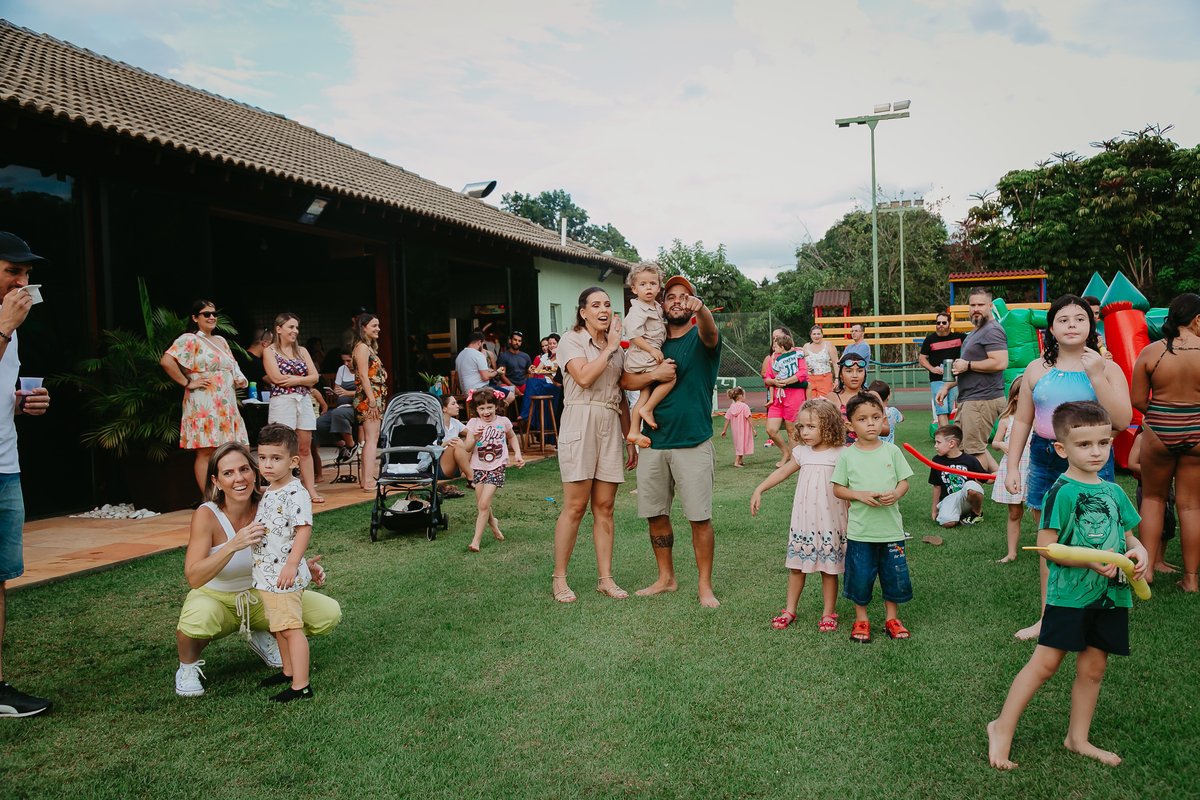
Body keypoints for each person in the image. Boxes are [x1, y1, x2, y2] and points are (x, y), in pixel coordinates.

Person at [987, 401, 1147, 771]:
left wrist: (1140, 554)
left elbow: (1129, 538)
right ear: (1062, 449)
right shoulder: (1061, 492)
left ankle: (1077, 737)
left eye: (1103, 443)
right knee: (1044, 665)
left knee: (1093, 668)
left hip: (1111, 596)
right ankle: (1001, 728)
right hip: (1070, 597)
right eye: (1084, 445)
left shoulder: (1114, 492)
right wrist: (1091, 560)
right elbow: (1048, 547)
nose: (1096, 452)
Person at [1005, 295, 1132, 640]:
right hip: (1047, 456)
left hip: (1091, 459)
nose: (1072, 324)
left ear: (1091, 326)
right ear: (1051, 328)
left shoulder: (1108, 367)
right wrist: (1013, 466)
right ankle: (1049, 616)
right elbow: (1022, 422)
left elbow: (1123, 420)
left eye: (1079, 318)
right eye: (1063, 319)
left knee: (1099, 535)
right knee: (1051, 542)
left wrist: (1097, 375)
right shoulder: (1035, 369)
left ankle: (1099, 610)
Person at [174, 442, 340, 698]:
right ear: (216, 481)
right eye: (228, 473)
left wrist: (301, 567)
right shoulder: (207, 515)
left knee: (328, 613)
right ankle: (187, 667)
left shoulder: (270, 501)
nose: (239, 479)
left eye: (244, 469)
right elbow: (194, 578)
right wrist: (232, 545)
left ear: (255, 472)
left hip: (264, 593)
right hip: (218, 599)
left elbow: (281, 548)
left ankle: (263, 633)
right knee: (199, 617)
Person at [621, 275, 723, 608]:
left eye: (685, 296)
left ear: (692, 304)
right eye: (671, 296)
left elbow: (709, 330)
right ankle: (666, 578)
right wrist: (655, 374)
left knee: (699, 517)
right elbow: (626, 378)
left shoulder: (701, 338)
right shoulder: (653, 340)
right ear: (661, 305)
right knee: (655, 514)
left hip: (692, 442)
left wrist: (703, 309)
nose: (677, 300)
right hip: (653, 442)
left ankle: (705, 585)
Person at [551, 287, 639, 602]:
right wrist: (611, 347)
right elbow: (584, 377)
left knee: (605, 507)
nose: (603, 309)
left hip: (610, 422)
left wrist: (630, 436)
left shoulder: (617, 349)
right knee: (575, 506)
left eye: (607, 304)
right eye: (596, 305)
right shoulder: (570, 340)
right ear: (583, 312)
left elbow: (623, 395)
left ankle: (606, 579)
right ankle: (559, 579)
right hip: (579, 420)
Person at [0, 232, 52, 717]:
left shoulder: (13, 331)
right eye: (12, 272)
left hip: (6, 465)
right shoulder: (5, 326)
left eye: (27, 275)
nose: (22, 283)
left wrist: (21, 404)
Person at [751, 399, 848, 632]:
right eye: (802, 426)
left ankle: (828, 613)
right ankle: (790, 609)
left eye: (812, 426)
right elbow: (783, 472)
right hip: (804, 522)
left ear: (830, 425)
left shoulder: (843, 453)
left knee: (828, 569)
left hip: (831, 521)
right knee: (796, 567)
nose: (804, 432)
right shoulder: (802, 453)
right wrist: (759, 489)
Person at [831, 392, 914, 643]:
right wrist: (858, 494)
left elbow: (904, 482)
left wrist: (896, 493)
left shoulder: (892, 450)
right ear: (850, 426)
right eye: (863, 419)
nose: (871, 423)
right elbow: (838, 488)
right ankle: (862, 620)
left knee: (893, 576)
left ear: (883, 420)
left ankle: (892, 619)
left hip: (890, 531)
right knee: (860, 578)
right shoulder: (847, 455)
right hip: (861, 532)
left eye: (876, 417)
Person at [1130, 292, 1200, 592]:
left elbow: (1137, 401)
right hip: (1198, 433)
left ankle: (1146, 574)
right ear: (1197, 319)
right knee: (1191, 506)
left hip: (1158, 432)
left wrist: (1161, 415)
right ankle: (1190, 580)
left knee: (1153, 499)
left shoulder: (1151, 352)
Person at [250, 424, 314, 702]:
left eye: (276, 458)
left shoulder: (294, 492)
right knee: (278, 627)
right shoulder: (273, 489)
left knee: (290, 629)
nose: (267, 464)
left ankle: (301, 685)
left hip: (283, 575)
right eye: (262, 457)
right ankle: (288, 671)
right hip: (268, 575)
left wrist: (292, 564)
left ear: (293, 461)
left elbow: (303, 528)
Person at [161, 299, 250, 492]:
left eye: (214, 314)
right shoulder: (189, 339)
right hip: (204, 402)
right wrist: (187, 382)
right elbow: (166, 360)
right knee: (207, 452)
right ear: (195, 318)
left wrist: (239, 379)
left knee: (237, 448)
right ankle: (209, 498)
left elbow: (233, 366)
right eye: (206, 314)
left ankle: (232, 493)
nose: (212, 317)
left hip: (227, 403)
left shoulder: (222, 340)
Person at [935, 288, 1010, 472]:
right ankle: (999, 478)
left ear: (990, 306)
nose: (976, 308)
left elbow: (1000, 362)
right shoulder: (977, 330)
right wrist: (947, 386)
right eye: (973, 305)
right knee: (967, 446)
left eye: (981, 305)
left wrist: (968, 365)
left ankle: (973, 493)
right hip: (970, 399)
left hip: (982, 399)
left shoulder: (992, 330)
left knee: (973, 450)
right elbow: (963, 367)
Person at [262, 313, 323, 504]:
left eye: (296, 327)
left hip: (303, 400)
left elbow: (315, 377)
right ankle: (280, 488)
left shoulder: (302, 351)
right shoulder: (269, 351)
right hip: (282, 401)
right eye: (290, 327)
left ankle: (310, 490)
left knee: (304, 448)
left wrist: (296, 380)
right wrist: (304, 380)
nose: (295, 331)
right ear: (278, 329)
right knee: (280, 447)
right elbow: (276, 378)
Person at [462, 388, 523, 552]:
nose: (486, 411)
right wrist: (474, 439)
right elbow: (467, 448)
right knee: (482, 504)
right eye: (481, 408)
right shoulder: (473, 423)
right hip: (478, 467)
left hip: (497, 466)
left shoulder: (503, 421)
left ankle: (476, 541)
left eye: (489, 407)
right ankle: (493, 523)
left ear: (496, 406)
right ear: (476, 409)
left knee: (483, 504)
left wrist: (517, 453)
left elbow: (511, 436)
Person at [623, 263, 676, 447]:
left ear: (659, 287)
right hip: (642, 355)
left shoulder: (655, 307)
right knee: (669, 376)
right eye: (643, 284)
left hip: (645, 356)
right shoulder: (638, 309)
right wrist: (652, 350)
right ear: (634, 288)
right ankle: (647, 409)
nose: (648, 288)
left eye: (653, 284)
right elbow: (633, 334)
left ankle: (634, 431)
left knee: (644, 392)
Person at [991, 376, 1031, 563]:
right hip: (1014, 468)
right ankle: (1011, 553)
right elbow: (995, 442)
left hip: (1034, 468)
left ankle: (1049, 551)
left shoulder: (1039, 417)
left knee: (1043, 510)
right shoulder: (1007, 419)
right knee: (1015, 512)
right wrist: (1002, 445)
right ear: (1015, 396)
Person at [1127, 428, 1178, 573]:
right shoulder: (1142, 437)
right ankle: (1153, 562)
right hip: (1148, 487)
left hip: (1166, 487)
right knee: (1155, 523)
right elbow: (1132, 463)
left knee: (1168, 523)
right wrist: (1158, 473)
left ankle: (1160, 560)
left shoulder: (1168, 437)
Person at [353, 313, 388, 492]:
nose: (378, 329)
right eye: (374, 325)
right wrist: (372, 401)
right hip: (369, 398)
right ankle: (367, 481)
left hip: (373, 396)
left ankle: (366, 479)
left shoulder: (367, 347)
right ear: (363, 327)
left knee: (371, 439)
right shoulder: (362, 348)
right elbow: (363, 377)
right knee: (371, 439)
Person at [928, 425, 987, 528]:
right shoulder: (936, 461)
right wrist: (934, 510)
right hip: (948, 500)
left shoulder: (970, 460)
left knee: (972, 485)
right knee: (947, 523)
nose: (935, 446)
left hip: (966, 499)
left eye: (938, 442)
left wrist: (998, 475)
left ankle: (977, 514)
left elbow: (985, 477)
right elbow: (937, 486)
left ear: (951, 444)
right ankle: (956, 516)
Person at [764, 332, 808, 465]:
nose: (773, 346)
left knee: (791, 430)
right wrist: (775, 382)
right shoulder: (773, 359)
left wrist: (786, 381)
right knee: (771, 430)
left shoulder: (796, 355)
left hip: (794, 396)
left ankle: (794, 460)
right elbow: (767, 378)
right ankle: (786, 453)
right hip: (778, 399)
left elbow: (802, 374)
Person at [828, 353, 889, 444]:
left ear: (865, 373)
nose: (855, 375)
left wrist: (862, 426)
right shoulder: (832, 397)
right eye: (849, 371)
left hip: (868, 451)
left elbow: (886, 429)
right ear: (840, 374)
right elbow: (825, 430)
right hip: (840, 453)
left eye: (859, 371)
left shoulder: (873, 396)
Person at [918, 311, 965, 426]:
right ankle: (946, 439)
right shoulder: (929, 340)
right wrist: (932, 368)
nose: (941, 325)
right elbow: (922, 358)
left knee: (949, 410)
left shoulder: (960, 337)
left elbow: (974, 344)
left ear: (949, 323)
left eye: (944, 322)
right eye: (938, 323)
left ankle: (943, 435)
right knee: (942, 410)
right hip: (937, 379)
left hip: (954, 379)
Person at [455, 332, 513, 408]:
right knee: (511, 396)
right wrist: (497, 372)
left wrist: (464, 391)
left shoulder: (460, 355)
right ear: (479, 342)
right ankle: (491, 414)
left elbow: (456, 378)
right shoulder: (478, 355)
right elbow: (485, 377)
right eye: (483, 343)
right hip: (481, 390)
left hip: (467, 392)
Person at [434, 395, 470, 498]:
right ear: (444, 408)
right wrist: (446, 443)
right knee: (457, 442)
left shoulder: (455, 422)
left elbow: (471, 434)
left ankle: (471, 471)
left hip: (456, 468)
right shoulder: (433, 424)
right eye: (453, 404)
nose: (457, 406)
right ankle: (471, 477)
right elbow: (428, 449)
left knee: (472, 439)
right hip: (441, 467)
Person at [720, 387, 755, 467]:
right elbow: (749, 418)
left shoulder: (731, 407)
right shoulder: (745, 407)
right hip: (743, 429)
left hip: (735, 430)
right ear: (740, 396)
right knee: (742, 443)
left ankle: (740, 460)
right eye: (744, 395)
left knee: (738, 444)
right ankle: (736, 462)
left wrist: (724, 430)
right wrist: (753, 429)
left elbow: (727, 419)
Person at [802, 325, 838, 399]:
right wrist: (806, 368)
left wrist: (837, 378)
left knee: (825, 402)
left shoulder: (828, 345)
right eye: (814, 334)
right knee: (811, 402)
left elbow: (835, 363)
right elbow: (802, 363)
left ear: (822, 335)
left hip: (824, 378)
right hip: (810, 378)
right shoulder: (806, 346)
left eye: (818, 334)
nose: (816, 336)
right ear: (810, 335)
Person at [496, 331, 533, 397]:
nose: (517, 342)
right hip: (509, 385)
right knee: (502, 389)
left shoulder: (526, 356)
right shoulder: (503, 356)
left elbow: (530, 372)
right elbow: (502, 376)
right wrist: (513, 387)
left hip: (523, 384)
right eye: (515, 340)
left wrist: (532, 371)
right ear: (510, 341)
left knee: (534, 389)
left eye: (519, 341)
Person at [869, 379, 904, 444]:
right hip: (889, 449)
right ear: (889, 396)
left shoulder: (867, 412)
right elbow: (902, 418)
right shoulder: (893, 411)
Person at [239, 327, 272, 394]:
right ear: (264, 343)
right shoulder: (255, 362)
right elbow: (273, 382)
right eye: (270, 344)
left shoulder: (241, 356)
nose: (272, 348)